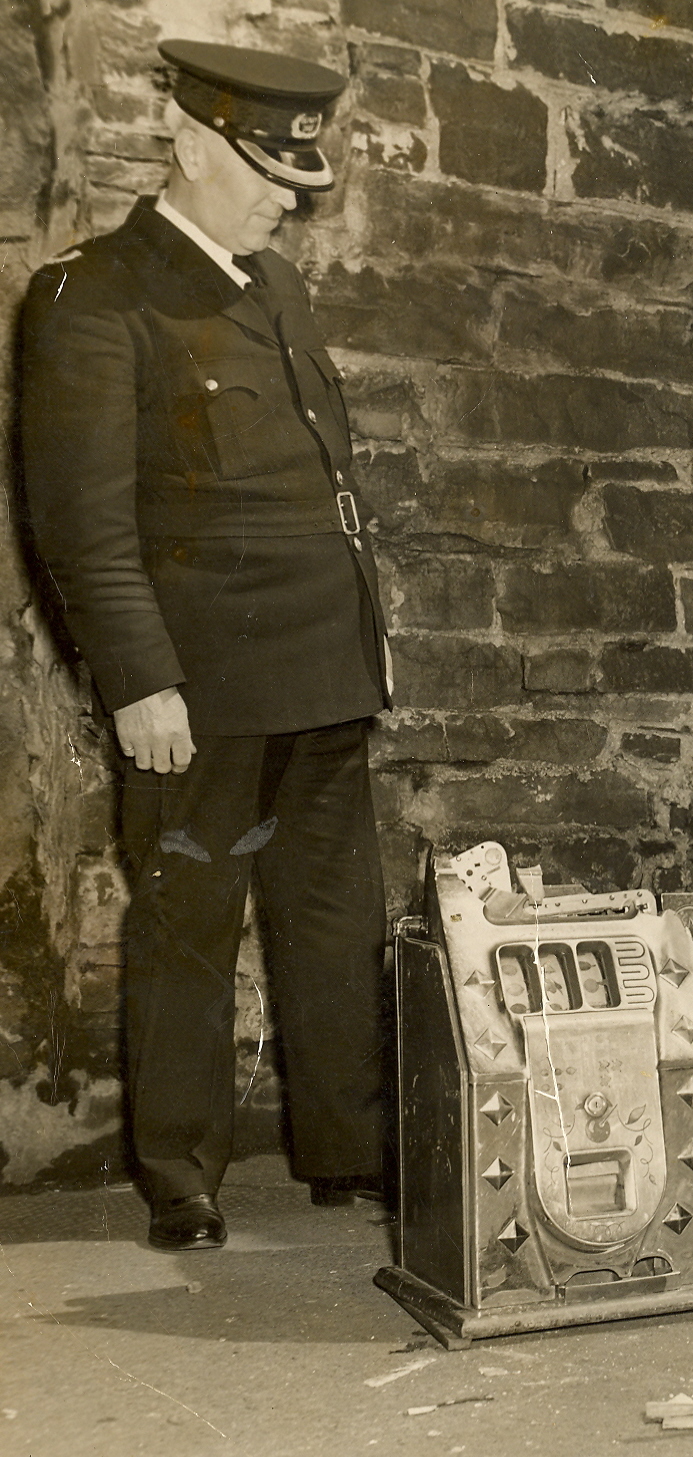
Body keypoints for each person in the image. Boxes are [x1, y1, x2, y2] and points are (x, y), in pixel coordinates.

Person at [20, 40, 392, 1251]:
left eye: (300, 173)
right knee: (187, 921)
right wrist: (139, 681)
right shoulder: (93, 295)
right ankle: (182, 1172)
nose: (290, 195)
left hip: (323, 671)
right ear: (186, 144)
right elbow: (81, 521)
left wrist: (364, 648)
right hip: (202, 689)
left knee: (334, 919)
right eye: (267, 169)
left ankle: (349, 1148)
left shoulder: (273, 286)